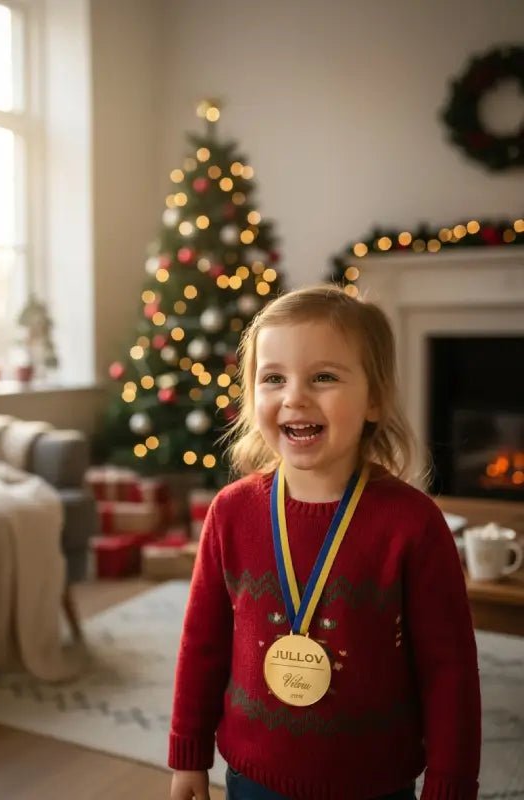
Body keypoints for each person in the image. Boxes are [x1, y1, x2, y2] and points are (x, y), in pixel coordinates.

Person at [169, 284, 481, 800]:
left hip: (374, 783)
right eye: (273, 378)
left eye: (324, 377)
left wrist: (451, 784)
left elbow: (449, 669)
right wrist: (188, 754)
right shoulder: (230, 512)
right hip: (252, 777)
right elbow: (201, 644)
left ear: (375, 398)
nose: (294, 396)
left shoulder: (414, 524)